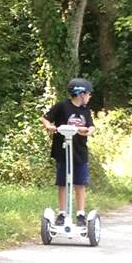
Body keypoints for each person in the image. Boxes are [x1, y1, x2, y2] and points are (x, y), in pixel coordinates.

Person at [40, 78, 95, 225]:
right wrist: (49, 126)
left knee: (80, 183)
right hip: (63, 151)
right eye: (88, 94)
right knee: (63, 183)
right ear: (80, 94)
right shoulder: (62, 106)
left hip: (79, 152)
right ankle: (62, 213)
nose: (90, 97)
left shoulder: (86, 111)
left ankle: (81, 214)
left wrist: (89, 131)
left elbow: (91, 126)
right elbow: (45, 118)